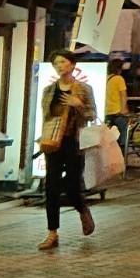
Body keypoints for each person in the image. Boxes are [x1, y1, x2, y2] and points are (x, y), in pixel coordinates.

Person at [38, 51, 98, 251]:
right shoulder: (49, 90)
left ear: (73, 65)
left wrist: (79, 105)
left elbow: (92, 114)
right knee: (51, 187)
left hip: (74, 142)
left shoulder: (83, 89)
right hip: (53, 142)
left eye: (63, 62)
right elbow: (46, 116)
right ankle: (52, 232)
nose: (59, 66)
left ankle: (82, 209)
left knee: (72, 186)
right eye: (56, 63)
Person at [105, 58, 130, 160]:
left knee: (108, 138)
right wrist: (124, 109)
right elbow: (123, 95)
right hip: (118, 112)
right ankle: (122, 160)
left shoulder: (105, 78)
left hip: (107, 112)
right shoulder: (119, 79)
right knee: (124, 137)